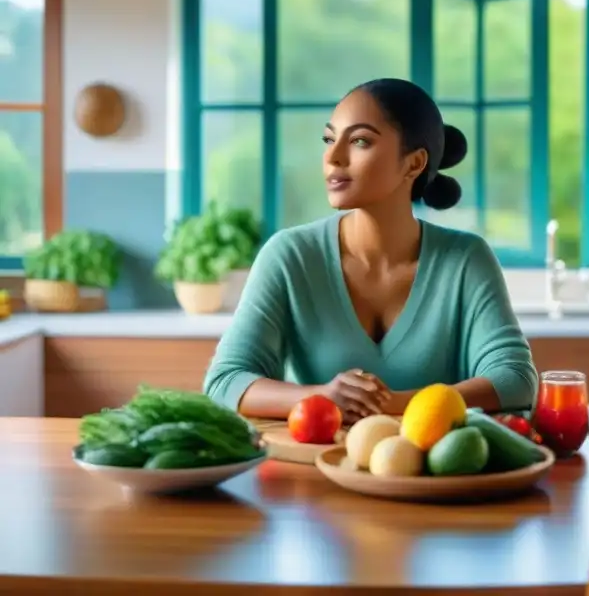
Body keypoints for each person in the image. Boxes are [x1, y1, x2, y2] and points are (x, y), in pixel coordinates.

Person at [203, 78, 539, 424]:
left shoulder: (465, 259)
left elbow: (515, 380)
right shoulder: (289, 256)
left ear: (414, 163)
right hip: (311, 468)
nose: (333, 158)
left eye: (360, 141)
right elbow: (224, 381)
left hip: (435, 474)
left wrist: (391, 404)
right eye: (329, 139)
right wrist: (322, 397)